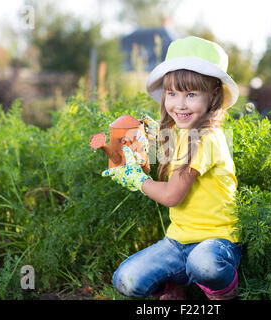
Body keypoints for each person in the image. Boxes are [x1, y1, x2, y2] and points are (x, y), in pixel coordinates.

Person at [103, 36, 241, 300]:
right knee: (125, 279)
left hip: (217, 243)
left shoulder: (206, 138)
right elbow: (158, 168)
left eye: (191, 94)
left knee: (203, 264)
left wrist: (134, 178)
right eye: (172, 93)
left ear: (213, 96)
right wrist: (139, 141)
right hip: (177, 243)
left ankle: (223, 292)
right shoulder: (179, 134)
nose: (180, 104)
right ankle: (176, 286)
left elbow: (171, 195)